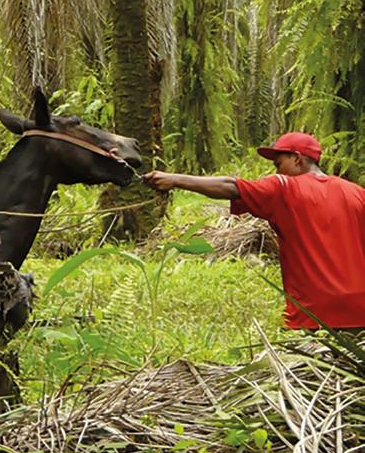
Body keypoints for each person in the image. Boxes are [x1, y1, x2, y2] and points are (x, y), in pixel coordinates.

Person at [142, 132, 365, 330]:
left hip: (314, 313)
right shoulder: (356, 193)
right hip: (360, 309)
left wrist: (174, 180)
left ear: (297, 159)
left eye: (278, 164)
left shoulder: (284, 187)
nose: (276, 171)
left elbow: (231, 186)